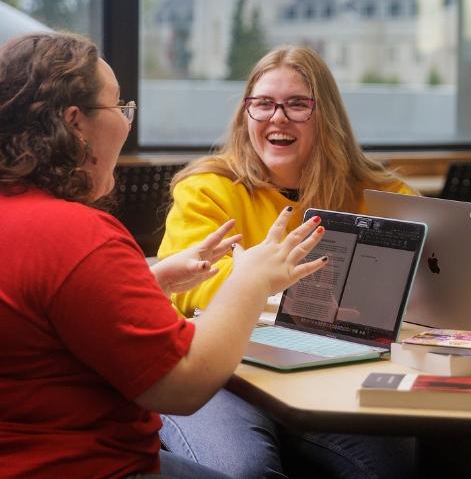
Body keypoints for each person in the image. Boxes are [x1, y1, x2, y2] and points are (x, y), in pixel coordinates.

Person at [0, 32, 328, 478]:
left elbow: (46, 327)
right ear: (75, 122)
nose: (126, 121)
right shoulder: (79, 236)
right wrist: (250, 279)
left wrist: (154, 281)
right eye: (119, 107)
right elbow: (183, 388)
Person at [157, 45, 416, 479]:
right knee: (246, 470)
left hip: (324, 371)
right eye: (262, 104)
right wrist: (286, 293)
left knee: (392, 465)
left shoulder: (375, 191)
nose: (278, 117)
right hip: (217, 375)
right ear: (246, 115)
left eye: (297, 105)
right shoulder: (208, 188)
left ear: (325, 116)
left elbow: (418, 273)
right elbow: (192, 290)